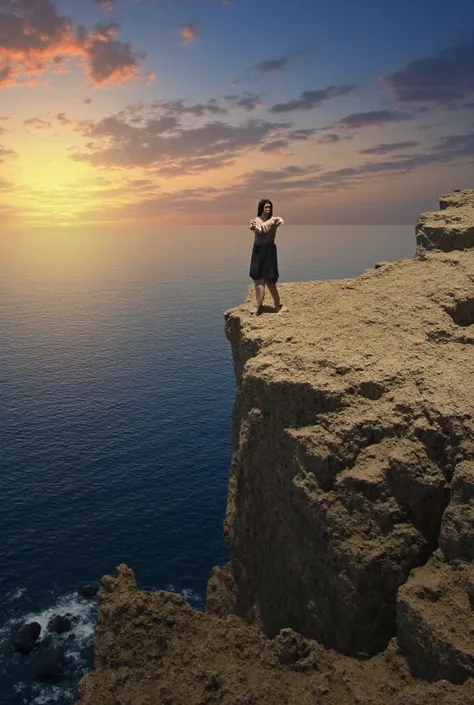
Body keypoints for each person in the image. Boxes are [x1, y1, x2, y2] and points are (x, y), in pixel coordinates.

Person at [249, 198, 284, 315]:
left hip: (269, 251)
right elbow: (255, 229)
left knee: (270, 280)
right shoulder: (255, 221)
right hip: (258, 251)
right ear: (261, 208)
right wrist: (256, 227)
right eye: (266, 207)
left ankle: (277, 304)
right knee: (258, 281)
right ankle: (259, 306)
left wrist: (267, 223)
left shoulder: (274, 220)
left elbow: (280, 220)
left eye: (270, 207)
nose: (268, 209)